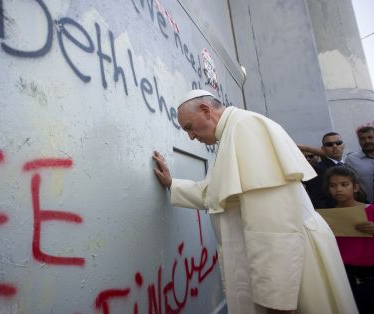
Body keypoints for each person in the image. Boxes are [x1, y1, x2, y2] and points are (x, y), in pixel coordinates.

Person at [152, 89, 357, 314]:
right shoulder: (232, 132)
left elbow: (274, 226)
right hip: (280, 262)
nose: (191, 136)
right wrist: (173, 183)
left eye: (189, 127)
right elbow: (212, 193)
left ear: (205, 110)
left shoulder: (246, 128)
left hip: (290, 265)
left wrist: (277, 299)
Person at [323, 166, 374, 314]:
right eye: (333, 186)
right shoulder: (326, 218)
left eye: (344, 184)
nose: (338, 189)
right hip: (345, 276)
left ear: (355, 187)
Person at [304, 132, 346, 208]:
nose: (335, 146)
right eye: (329, 144)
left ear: (343, 146)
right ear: (323, 149)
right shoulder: (317, 169)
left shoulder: (349, 165)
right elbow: (318, 199)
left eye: (338, 143)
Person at [346, 126, 374, 203]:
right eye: (362, 139)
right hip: (366, 206)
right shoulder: (351, 159)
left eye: (370, 137)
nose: (367, 141)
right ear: (359, 141)